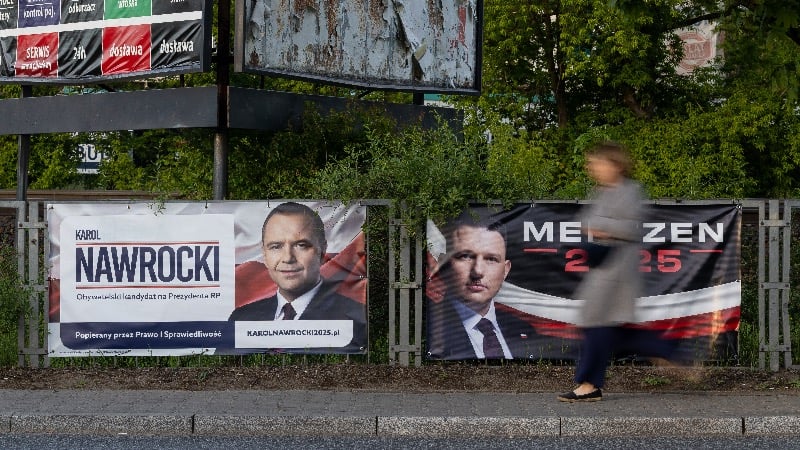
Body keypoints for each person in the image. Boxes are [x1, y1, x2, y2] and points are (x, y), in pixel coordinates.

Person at [558, 141, 676, 402]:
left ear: (614, 164)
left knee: (596, 326)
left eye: (597, 163)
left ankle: (589, 385)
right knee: (607, 330)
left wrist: (601, 226)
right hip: (603, 270)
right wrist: (596, 225)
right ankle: (667, 349)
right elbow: (584, 222)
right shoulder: (603, 191)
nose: (593, 169)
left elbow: (635, 227)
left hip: (618, 273)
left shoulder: (630, 191)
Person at [225, 202, 367, 354]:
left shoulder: (351, 316)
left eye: (301, 245)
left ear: (322, 251)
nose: (288, 258)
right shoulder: (241, 317)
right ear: (264, 255)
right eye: (276, 246)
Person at [427, 213, 547, 360]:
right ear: (444, 265)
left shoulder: (524, 330)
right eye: (466, 256)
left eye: (491, 259)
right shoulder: (428, 329)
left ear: (506, 270)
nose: (477, 271)